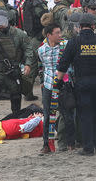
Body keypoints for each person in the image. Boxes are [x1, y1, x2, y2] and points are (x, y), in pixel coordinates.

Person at [55, 13, 96, 156]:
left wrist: (58, 82)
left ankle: (88, 148)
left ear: (79, 27)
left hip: (81, 84)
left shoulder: (74, 42)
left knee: (85, 115)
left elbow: (63, 65)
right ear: (93, 26)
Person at [0, 10, 35, 117]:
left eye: (1, 22)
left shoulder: (19, 34)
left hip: (13, 71)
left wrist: (28, 64)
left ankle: (15, 118)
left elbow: (29, 49)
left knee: (16, 96)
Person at [37, 23, 71, 153]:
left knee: (66, 114)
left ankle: (70, 143)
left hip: (63, 84)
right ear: (48, 35)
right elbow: (40, 66)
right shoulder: (41, 50)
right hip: (48, 85)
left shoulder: (65, 46)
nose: (60, 35)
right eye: (57, 33)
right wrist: (41, 81)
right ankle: (47, 144)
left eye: (60, 32)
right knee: (48, 116)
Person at [22, 0, 49, 101]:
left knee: (30, 65)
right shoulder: (39, 4)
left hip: (29, 36)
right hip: (38, 38)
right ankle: (40, 93)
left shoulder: (27, 1)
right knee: (40, 66)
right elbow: (45, 20)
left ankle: (27, 92)